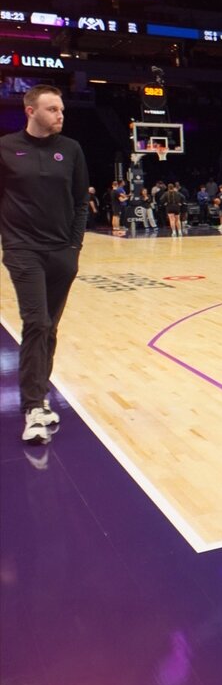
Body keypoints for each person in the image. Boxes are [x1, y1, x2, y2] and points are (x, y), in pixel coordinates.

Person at [0, 84, 88, 443]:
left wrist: (74, 247)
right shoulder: (6, 148)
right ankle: (33, 407)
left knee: (49, 329)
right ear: (30, 111)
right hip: (23, 251)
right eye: (52, 109)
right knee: (36, 322)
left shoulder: (71, 149)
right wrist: (9, 241)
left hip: (61, 253)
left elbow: (80, 202)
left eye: (61, 109)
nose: (60, 115)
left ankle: (39, 394)